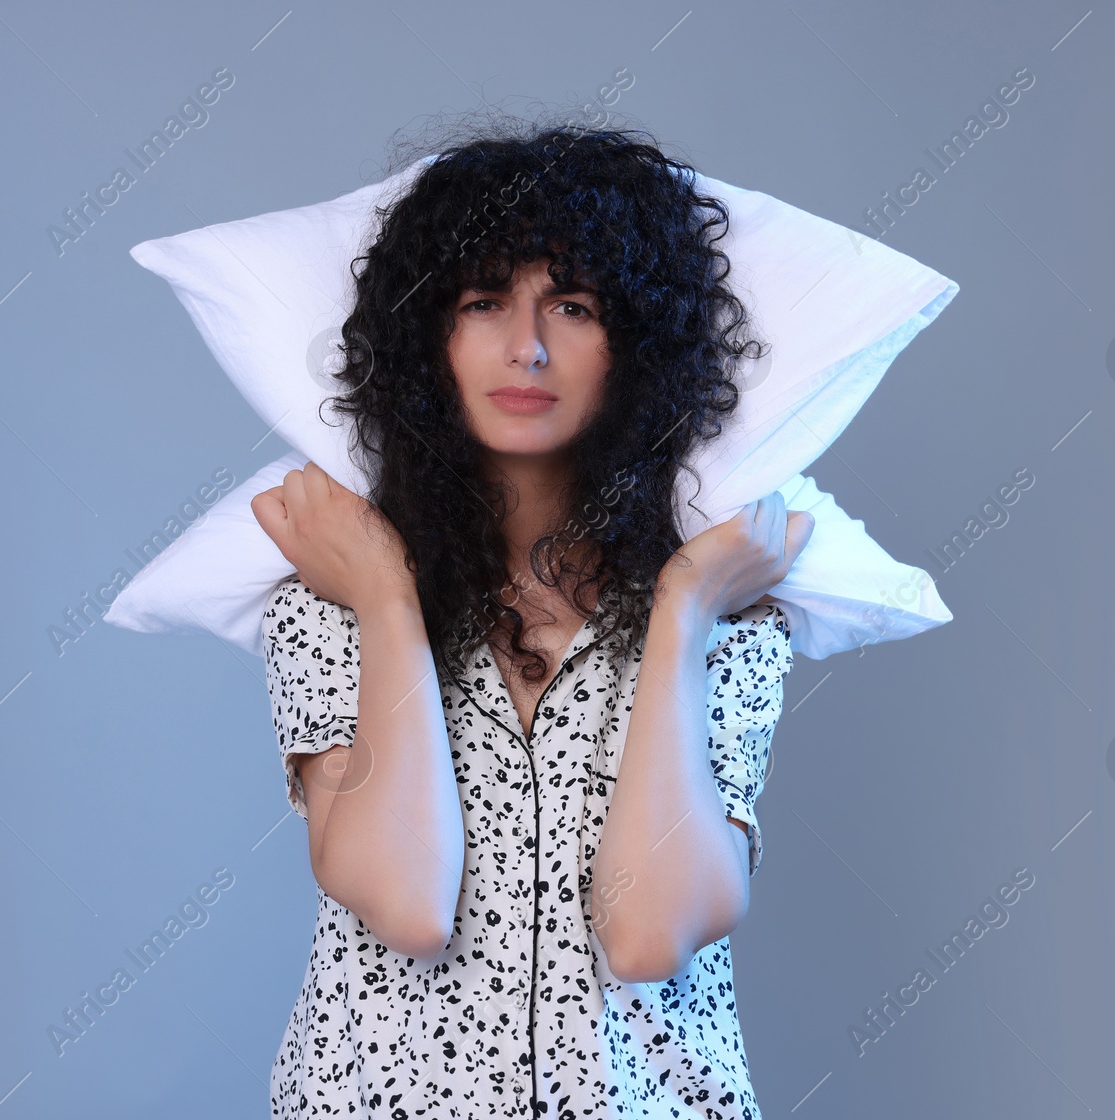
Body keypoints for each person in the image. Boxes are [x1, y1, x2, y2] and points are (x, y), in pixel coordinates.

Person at [251, 118, 813, 1119]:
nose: (527, 345)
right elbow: (404, 903)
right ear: (429, 336)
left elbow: (647, 934)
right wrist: (386, 598)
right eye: (482, 300)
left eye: (573, 303)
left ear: (635, 344)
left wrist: (681, 613)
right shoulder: (327, 614)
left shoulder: (730, 625)